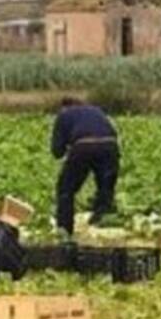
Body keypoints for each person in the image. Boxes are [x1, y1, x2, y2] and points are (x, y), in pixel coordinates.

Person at [51, 97, 119, 236]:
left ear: (64, 107)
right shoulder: (96, 110)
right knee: (105, 187)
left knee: (65, 190)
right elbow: (111, 131)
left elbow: (57, 151)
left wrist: (67, 150)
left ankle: (65, 229)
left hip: (84, 145)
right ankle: (103, 222)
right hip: (110, 146)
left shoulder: (64, 114)